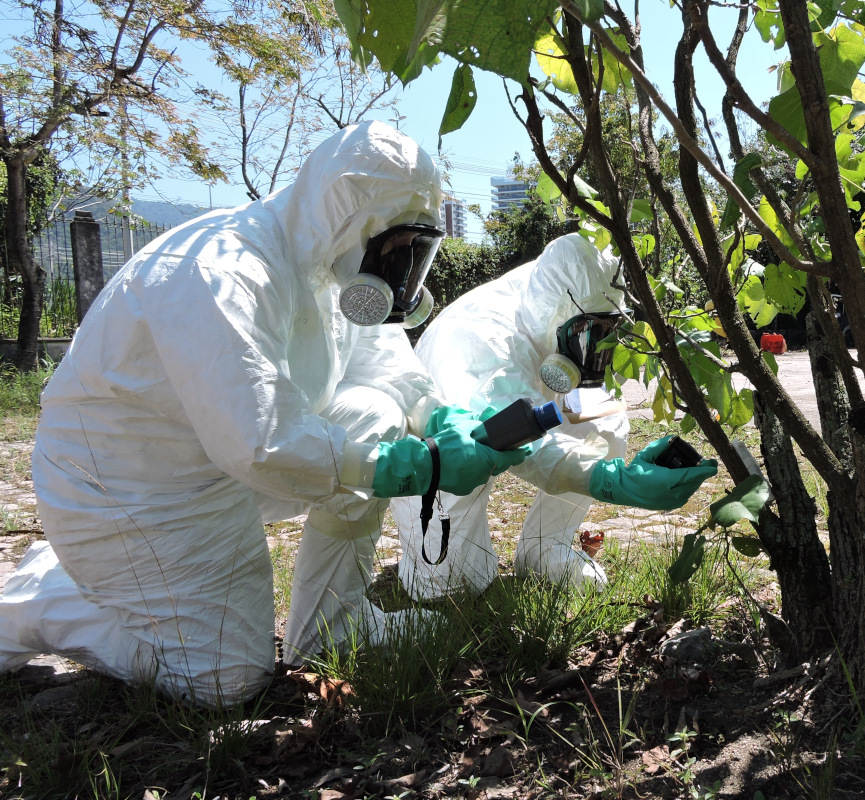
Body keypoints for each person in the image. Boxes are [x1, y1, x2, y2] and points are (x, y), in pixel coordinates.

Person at [0, 122, 526, 707]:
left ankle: (334, 624)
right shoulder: (220, 271)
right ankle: (38, 600)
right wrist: (409, 467)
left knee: (373, 412)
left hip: (213, 466)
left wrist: (435, 416)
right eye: (398, 248)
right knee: (224, 679)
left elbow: (383, 367)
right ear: (352, 218)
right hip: (129, 492)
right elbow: (261, 440)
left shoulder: (331, 261)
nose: (402, 271)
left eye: (416, 252)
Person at [392, 234, 718, 600]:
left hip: (524, 379)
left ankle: (545, 547)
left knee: (605, 425)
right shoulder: (480, 341)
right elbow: (508, 435)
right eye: (587, 334)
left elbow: (580, 407)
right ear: (555, 314)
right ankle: (436, 562)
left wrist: (606, 457)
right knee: (455, 585)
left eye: (606, 331)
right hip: (448, 435)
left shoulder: (573, 288)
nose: (595, 350)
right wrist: (610, 480)